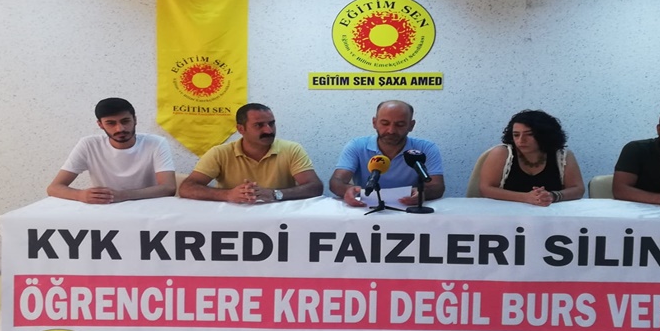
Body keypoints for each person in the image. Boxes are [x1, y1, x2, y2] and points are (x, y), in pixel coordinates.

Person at [179, 103, 323, 204]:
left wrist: (275, 194)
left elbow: (315, 187)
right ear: (241, 129)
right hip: (230, 219)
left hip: (279, 220)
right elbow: (186, 188)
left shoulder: (292, 149)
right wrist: (228, 194)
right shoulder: (220, 153)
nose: (268, 130)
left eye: (271, 123)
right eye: (259, 125)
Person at [47, 97, 177, 204]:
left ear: (135, 120)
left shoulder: (156, 143)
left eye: (125, 121)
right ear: (100, 125)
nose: (120, 129)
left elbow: (169, 188)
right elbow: (54, 188)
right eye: (111, 123)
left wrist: (122, 195)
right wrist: (80, 195)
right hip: (106, 210)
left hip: (148, 208)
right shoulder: (89, 144)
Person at [329, 100, 446, 207]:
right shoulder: (357, 146)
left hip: (409, 209)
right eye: (385, 123)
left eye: (400, 125)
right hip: (366, 208)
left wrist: (423, 192)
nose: (391, 130)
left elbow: (437, 186)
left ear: (411, 125)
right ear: (374, 123)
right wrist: (346, 190)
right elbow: (336, 181)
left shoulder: (425, 148)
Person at [477, 109, 584, 205]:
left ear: (545, 135)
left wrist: (552, 196)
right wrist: (526, 197)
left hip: (551, 213)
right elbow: (485, 189)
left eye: (529, 134)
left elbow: (578, 189)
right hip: (507, 213)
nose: (521, 140)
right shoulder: (501, 153)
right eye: (516, 135)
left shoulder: (562, 156)